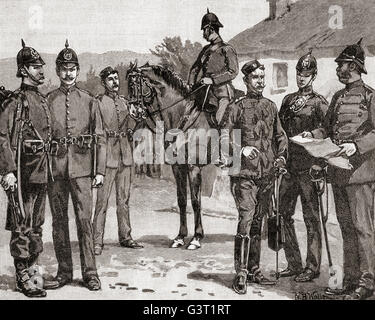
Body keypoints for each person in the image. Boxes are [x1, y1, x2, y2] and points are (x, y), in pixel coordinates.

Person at [302, 39, 375, 300]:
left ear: (353, 66)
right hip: (338, 173)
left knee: (363, 229)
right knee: (345, 228)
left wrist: (357, 145)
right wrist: (313, 135)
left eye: (341, 65)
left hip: (360, 174)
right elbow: (327, 128)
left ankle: (367, 283)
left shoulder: (369, 95)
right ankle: (353, 280)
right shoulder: (338, 97)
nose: (337, 69)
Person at [223, 60, 288, 294]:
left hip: (266, 175)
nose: (260, 81)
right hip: (243, 175)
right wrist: (240, 150)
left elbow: (280, 137)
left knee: (258, 223)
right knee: (246, 218)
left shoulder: (271, 106)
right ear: (246, 80)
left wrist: (281, 158)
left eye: (262, 77)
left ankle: (254, 268)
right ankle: (240, 272)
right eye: (256, 77)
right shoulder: (235, 107)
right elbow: (222, 137)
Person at [0, 40, 59, 297]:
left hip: (41, 171)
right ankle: (22, 274)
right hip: (22, 173)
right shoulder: (15, 101)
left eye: (41, 66)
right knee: (21, 225)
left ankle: (33, 269)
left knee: (36, 224)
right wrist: (8, 171)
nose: (41, 71)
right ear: (23, 70)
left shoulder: (42, 100)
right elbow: (2, 137)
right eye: (36, 67)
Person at [46, 40, 106, 291]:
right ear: (57, 71)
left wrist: (100, 170)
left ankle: (90, 273)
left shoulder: (89, 100)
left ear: (78, 71)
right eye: (63, 68)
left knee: (84, 222)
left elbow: (100, 137)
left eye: (72, 68)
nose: (68, 73)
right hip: (57, 171)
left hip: (82, 170)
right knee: (59, 222)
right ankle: (64, 272)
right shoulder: (48, 100)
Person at [278, 51, 328, 282]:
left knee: (311, 218)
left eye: (306, 74)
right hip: (288, 166)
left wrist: (314, 134)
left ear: (313, 75)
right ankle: (294, 263)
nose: (301, 78)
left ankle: (312, 267)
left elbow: (328, 131)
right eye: (299, 73)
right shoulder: (288, 100)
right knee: (283, 214)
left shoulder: (319, 102)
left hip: (308, 167)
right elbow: (278, 131)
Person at [93, 66, 143, 255]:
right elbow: (98, 133)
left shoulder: (124, 103)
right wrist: (99, 165)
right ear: (103, 83)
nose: (115, 82)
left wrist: (136, 119)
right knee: (102, 202)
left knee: (124, 200)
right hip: (107, 158)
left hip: (125, 155)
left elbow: (131, 130)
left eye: (116, 78)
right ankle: (97, 241)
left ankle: (126, 237)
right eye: (110, 79)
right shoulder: (98, 103)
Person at [179, 9, 239, 130]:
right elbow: (195, 68)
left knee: (219, 121)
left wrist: (212, 80)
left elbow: (233, 71)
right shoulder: (206, 50)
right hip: (205, 93)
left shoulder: (227, 49)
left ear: (210, 29)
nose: (203, 35)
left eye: (204, 31)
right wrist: (190, 84)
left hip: (222, 94)